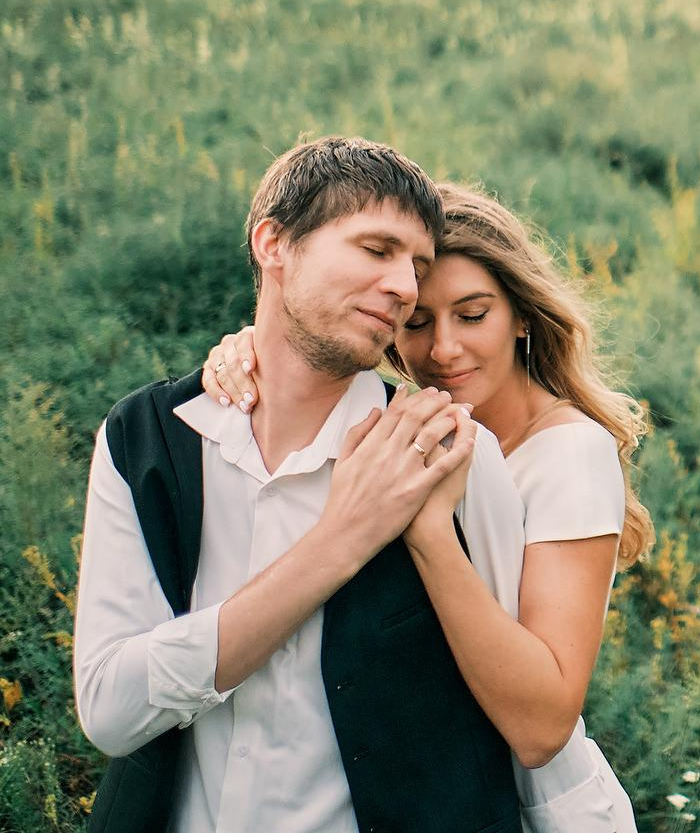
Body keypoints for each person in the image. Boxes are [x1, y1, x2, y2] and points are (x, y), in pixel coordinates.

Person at [71, 135, 530, 833]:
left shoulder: (450, 453)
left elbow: (521, 718)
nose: (405, 288)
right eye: (376, 250)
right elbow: (110, 711)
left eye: (417, 267)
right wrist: (340, 542)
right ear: (274, 244)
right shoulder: (143, 439)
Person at [201, 180, 652, 832]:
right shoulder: (408, 424)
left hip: (534, 810)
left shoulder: (569, 454)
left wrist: (430, 531)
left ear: (522, 315)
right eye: (416, 322)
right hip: (426, 793)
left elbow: (542, 727)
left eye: (473, 315)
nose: (442, 350)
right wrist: (249, 348)